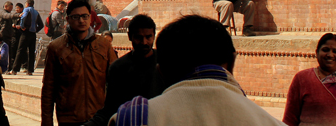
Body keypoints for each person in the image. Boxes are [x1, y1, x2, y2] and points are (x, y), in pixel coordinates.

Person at [110, 15, 281, 126]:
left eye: (149, 37)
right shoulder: (270, 122)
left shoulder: (131, 119)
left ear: (161, 70)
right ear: (232, 62)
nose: (145, 42)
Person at [41, 0, 117, 126]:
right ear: (68, 19)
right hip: (69, 119)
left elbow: (116, 83)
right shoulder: (56, 48)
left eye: (84, 16)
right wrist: (47, 122)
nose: (81, 20)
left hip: (98, 118)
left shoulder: (104, 45)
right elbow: (49, 89)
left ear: (90, 18)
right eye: (76, 17)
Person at [84, 14, 164, 126]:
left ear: (154, 36)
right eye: (139, 37)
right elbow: (110, 108)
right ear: (129, 36)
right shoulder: (119, 68)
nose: (144, 42)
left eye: (148, 37)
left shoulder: (165, 62)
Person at [283, 33, 336, 126]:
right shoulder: (302, 79)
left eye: (335, 51)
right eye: (325, 50)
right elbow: (289, 119)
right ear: (317, 53)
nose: (330, 55)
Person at [10, 0, 41, 75]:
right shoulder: (36, 12)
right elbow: (41, 24)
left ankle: (15, 70)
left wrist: (22, 26)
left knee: (20, 50)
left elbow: (23, 18)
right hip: (33, 34)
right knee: (31, 52)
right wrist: (35, 30)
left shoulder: (27, 10)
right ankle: (30, 70)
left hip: (25, 33)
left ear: (27, 4)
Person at [0, 1, 17, 71]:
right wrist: (17, 15)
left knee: (9, 52)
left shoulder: (8, 14)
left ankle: (9, 67)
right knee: (3, 52)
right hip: (2, 35)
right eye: (10, 8)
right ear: (6, 6)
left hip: (8, 35)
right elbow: (8, 16)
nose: (11, 10)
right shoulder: (2, 13)